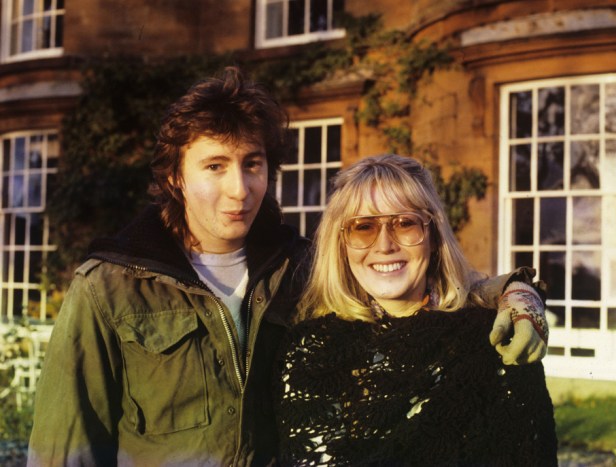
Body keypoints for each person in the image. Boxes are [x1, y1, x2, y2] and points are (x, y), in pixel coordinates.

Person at [28, 68, 547, 466]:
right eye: (215, 166)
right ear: (175, 178)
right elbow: (63, 448)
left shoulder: (297, 269)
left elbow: (440, 287)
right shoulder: (111, 288)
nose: (240, 188)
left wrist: (521, 298)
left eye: (252, 164)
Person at [274, 154, 557, 466]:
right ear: (340, 244)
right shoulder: (310, 352)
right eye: (363, 227)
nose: (384, 245)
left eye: (405, 223)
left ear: (433, 237)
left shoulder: (493, 341)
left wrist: (519, 291)